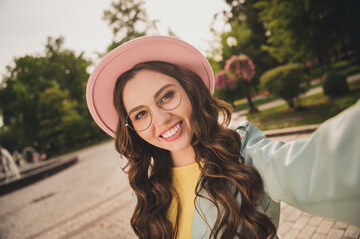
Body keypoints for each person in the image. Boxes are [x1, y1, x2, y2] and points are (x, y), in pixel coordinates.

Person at [86, 35, 360, 239]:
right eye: (140, 114)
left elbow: (313, 167)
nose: (160, 119)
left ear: (190, 90)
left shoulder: (242, 150)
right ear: (132, 127)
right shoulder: (149, 191)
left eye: (166, 96)